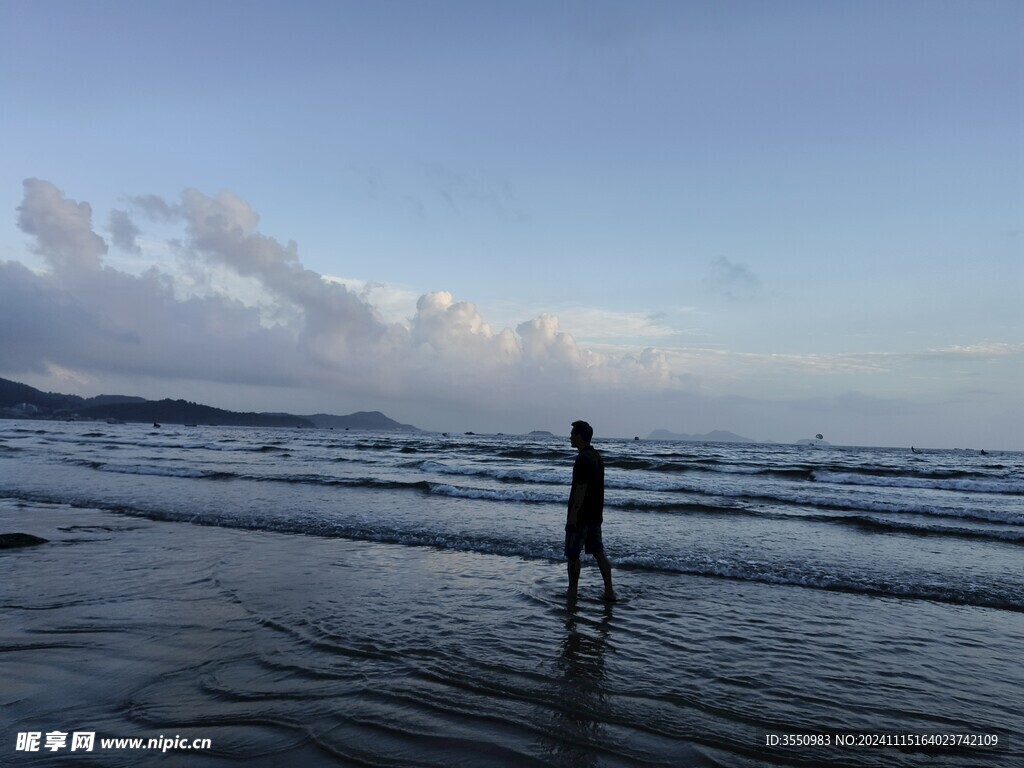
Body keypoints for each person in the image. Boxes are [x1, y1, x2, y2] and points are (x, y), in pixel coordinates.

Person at [565, 420, 615, 601]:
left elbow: (581, 488)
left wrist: (572, 516)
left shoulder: (583, 459)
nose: (570, 437)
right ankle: (609, 591)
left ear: (579, 436)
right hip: (595, 515)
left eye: (572, 434)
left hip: (581, 517)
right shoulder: (597, 457)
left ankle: (572, 592)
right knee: (598, 552)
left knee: (572, 555)